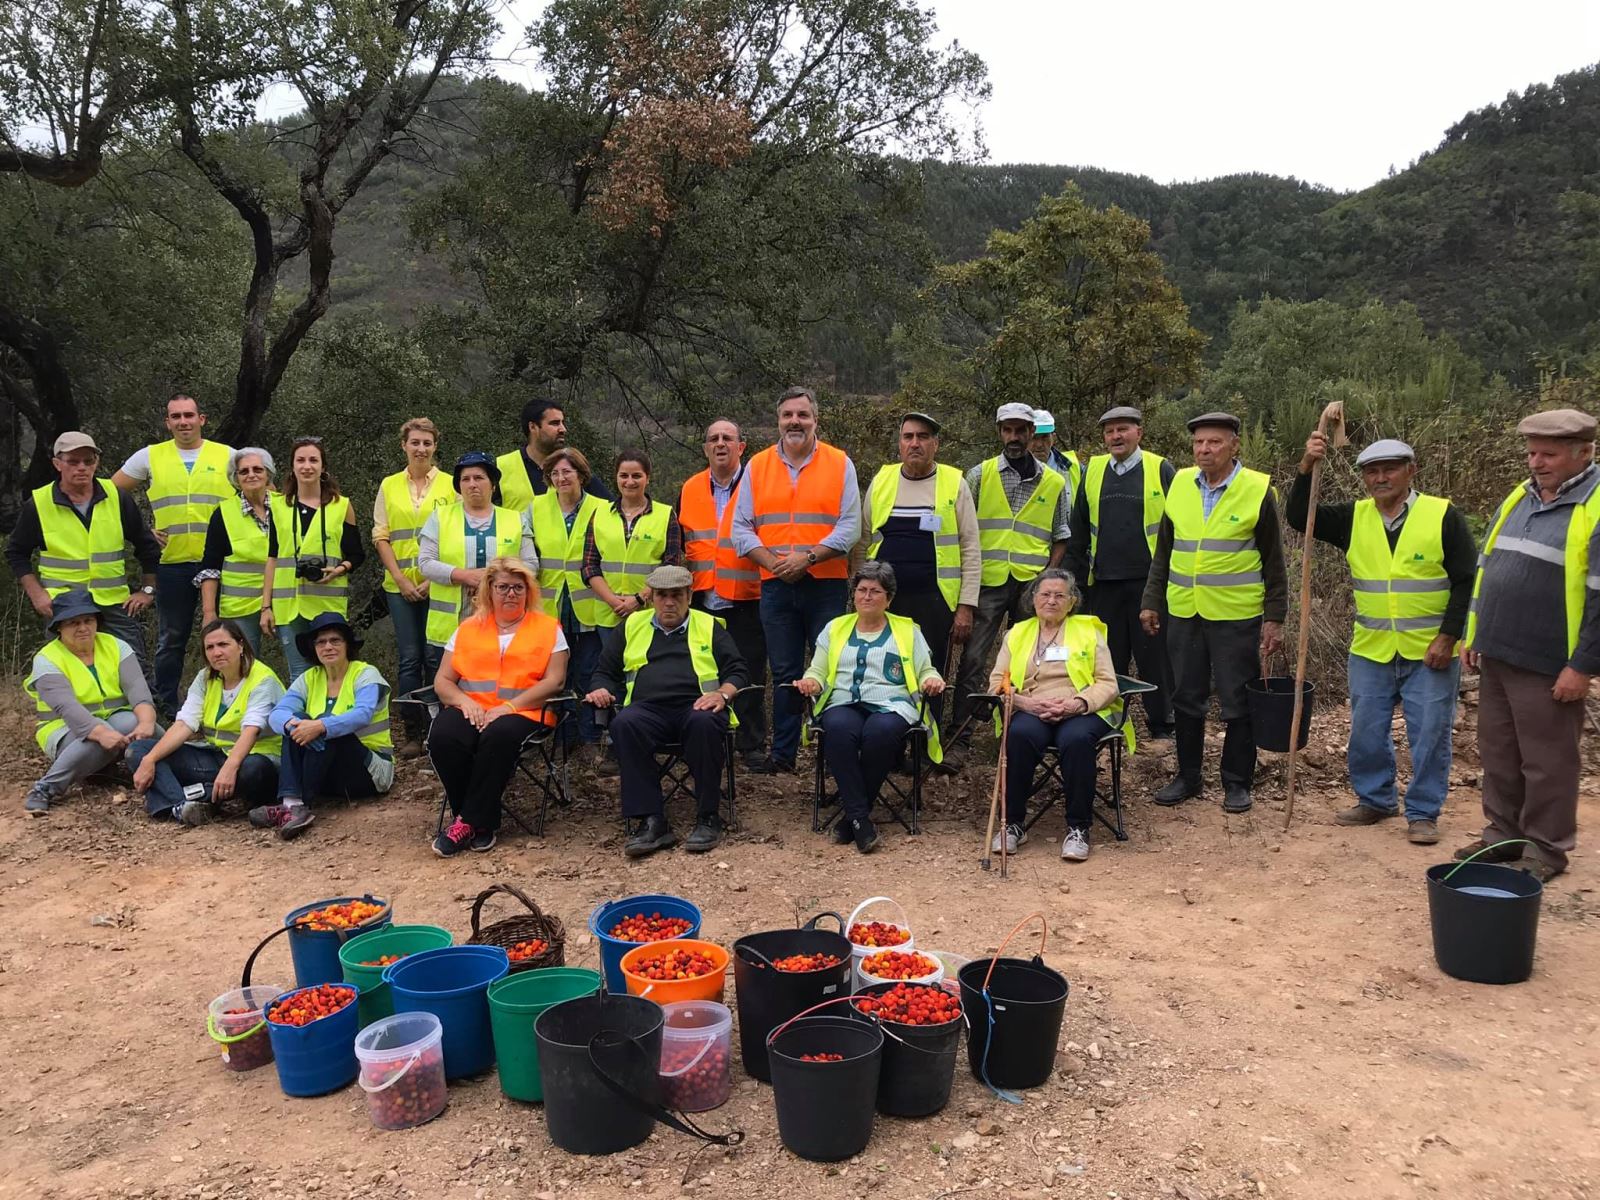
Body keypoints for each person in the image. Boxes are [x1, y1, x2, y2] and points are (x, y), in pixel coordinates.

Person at [1289, 434, 1475, 846]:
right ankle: (1376, 799)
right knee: (1367, 731)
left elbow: (1466, 579)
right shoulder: (1354, 518)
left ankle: (1423, 812)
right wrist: (1306, 466)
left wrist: (1448, 637)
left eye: (1389, 468)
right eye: (1372, 471)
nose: (1380, 477)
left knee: (1429, 733)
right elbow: (1301, 517)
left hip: (1429, 652)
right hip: (1372, 648)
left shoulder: (1441, 515)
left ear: (1411, 470)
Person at [1458, 408, 1600, 883]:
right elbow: (1487, 567)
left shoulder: (1595, 505)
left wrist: (1582, 666)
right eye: (1531, 452)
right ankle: (1502, 834)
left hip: (1549, 661)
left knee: (1547, 760)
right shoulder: (1520, 496)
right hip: (1497, 651)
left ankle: (1546, 848)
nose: (1536, 462)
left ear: (1585, 453)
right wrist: (1473, 633)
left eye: (1549, 454)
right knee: (1498, 751)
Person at [1141, 412, 1287, 814]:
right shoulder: (1180, 487)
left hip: (1235, 616)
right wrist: (1152, 600)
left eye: (1214, 443)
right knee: (1186, 697)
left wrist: (1274, 617)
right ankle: (1188, 776)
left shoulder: (1256, 491)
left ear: (1234, 445)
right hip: (1184, 612)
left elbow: (1275, 562)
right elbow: (1164, 553)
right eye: (1199, 443)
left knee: (1237, 700)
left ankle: (1237, 781)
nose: (1204, 450)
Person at [731, 386, 861, 774]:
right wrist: (774, 563)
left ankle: (829, 750)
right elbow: (741, 528)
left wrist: (806, 559)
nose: (795, 422)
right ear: (778, 420)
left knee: (829, 668)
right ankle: (784, 755)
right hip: (775, 585)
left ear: (815, 420)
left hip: (826, 583)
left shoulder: (840, 463)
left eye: (802, 415)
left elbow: (850, 527)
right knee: (785, 671)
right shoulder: (756, 465)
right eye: (788, 415)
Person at [586, 565, 748, 858]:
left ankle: (708, 817)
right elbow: (603, 671)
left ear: (689, 596)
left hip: (697, 704)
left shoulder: (710, 625)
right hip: (648, 709)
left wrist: (722, 694)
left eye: (676, 595)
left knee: (706, 722)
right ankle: (652, 821)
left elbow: (738, 670)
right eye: (662, 595)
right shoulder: (632, 624)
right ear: (652, 598)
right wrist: (600, 689)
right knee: (624, 723)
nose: (669, 602)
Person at [946, 403, 1071, 771]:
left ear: (1033, 434)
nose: (1014, 438)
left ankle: (1017, 734)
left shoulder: (1054, 481)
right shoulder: (979, 475)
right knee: (973, 659)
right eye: (1007, 430)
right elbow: (960, 529)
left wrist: (1046, 579)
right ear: (1000, 432)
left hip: (1030, 586)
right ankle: (961, 737)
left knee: (1030, 661)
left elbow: (1060, 535)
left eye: (1021, 431)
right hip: (986, 581)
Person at [796, 562, 944, 854]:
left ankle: (851, 819)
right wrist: (810, 682)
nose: (866, 596)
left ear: (889, 598)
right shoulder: (835, 627)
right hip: (843, 702)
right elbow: (817, 669)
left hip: (893, 704)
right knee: (838, 728)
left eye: (875, 591)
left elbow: (926, 669)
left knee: (880, 733)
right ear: (853, 595)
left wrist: (932, 681)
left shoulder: (907, 629)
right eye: (861, 590)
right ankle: (860, 820)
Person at [427, 558, 569, 856]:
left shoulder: (547, 628)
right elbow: (443, 681)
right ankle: (482, 822)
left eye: (518, 587)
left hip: (525, 712)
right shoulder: (467, 628)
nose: (511, 594)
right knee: (443, 735)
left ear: (528, 592)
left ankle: (466, 821)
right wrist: (466, 703)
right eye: (503, 587)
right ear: (488, 590)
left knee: (499, 735)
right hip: (472, 709)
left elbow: (555, 682)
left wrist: (508, 706)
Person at [988, 569, 1125, 862]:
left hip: (1080, 708)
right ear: (1033, 599)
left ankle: (1078, 828)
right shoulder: (1017, 633)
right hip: (1031, 707)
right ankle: (1012, 824)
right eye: (1045, 594)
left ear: (1072, 601)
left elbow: (1108, 683)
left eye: (1059, 595)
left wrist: (1075, 703)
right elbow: (998, 682)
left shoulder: (1090, 631)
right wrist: (1025, 703)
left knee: (1076, 740)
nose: (1051, 600)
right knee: (1019, 735)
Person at [112, 395, 235, 713]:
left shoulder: (228, 456)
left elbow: (264, 491)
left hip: (221, 562)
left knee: (227, 637)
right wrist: (142, 530)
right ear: (167, 422)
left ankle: (228, 704)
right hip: (172, 562)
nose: (183, 421)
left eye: (189, 415)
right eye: (176, 416)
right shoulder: (150, 456)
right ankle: (166, 705)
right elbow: (108, 494)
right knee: (172, 638)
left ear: (202, 419)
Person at [856, 413, 979, 729]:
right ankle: (890, 743)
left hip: (935, 601)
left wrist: (965, 606)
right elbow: (864, 540)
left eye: (923, 436)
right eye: (908, 436)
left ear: (935, 444)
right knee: (885, 670)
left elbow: (970, 548)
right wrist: (857, 594)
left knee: (930, 672)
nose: (915, 443)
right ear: (899, 444)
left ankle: (926, 742)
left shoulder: (954, 482)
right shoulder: (882, 480)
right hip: (886, 601)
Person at [1064, 406, 1176, 740]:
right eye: (1110, 431)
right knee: (1108, 658)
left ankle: (1162, 726)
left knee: (1153, 656)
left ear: (1139, 433)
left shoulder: (1160, 468)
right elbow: (1079, 529)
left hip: (1149, 583)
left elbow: (1179, 526)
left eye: (1123, 429)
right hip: (1104, 583)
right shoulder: (1094, 470)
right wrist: (1072, 582)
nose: (1116, 436)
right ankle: (1110, 723)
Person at [8, 431, 159, 668]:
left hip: (114, 604)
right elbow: (16, 552)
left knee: (133, 668)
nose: (82, 467)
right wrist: (37, 594)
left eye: (88, 461)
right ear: (57, 464)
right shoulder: (39, 503)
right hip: (64, 605)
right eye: (73, 461)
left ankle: (141, 706)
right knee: (67, 672)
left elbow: (147, 547)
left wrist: (148, 590)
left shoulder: (117, 497)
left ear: (96, 463)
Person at [126, 619, 284, 825]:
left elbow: (251, 730)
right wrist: (150, 760)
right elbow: (184, 724)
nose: (216, 652)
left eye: (223, 645)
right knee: (138, 750)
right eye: (210, 647)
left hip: (256, 760)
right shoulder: (205, 678)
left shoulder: (263, 679)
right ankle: (182, 805)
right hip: (214, 756)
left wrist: (230, 769)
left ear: (241, 645)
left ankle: (197, 794)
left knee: (253, 769)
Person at [251, 613, 394, 839]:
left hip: (369, 772)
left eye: (335, 640)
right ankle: (293, 804)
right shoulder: (310, 677)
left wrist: (320, 726)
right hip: (328, 775)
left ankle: (296, 805)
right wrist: (291, 725)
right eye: (321, 642)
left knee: (327, 730)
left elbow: (362, 715)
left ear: (348, 645)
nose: (328, 647)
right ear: (314, 648)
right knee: (296, 719)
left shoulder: (365, 673)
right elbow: (277, 713)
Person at [22, 591, 160, 816]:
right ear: (59, 627)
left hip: (116, 721)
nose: (83, 627)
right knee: (95, 741)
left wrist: (146, 722)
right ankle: (45, 789)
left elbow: (138, 692)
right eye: (73, 623)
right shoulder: (46, 660)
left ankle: (177, 774)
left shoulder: (117, 646)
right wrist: (100, 733)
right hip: (65, 731)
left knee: (148, 729)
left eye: (88, 620)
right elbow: (69, 709)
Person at [681, 420, 768, 767]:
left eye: (727, 438)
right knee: (702, 671)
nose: (720, 444)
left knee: (749, 670)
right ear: (705, 448)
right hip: (701, 597)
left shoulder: (758, 485)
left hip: (747, 595)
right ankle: (708, 739)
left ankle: (751, 745)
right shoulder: (689, 488)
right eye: (713, 439)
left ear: (741, 447)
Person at [373, 418, 455, 757]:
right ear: (404, 445)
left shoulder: (451, 485)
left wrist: (428, 579)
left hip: (438, 584)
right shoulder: (389, 485)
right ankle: (412, 731)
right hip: (399, 587)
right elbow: (381, 535)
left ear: (435, 446)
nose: (421, 448)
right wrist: (403, 580)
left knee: (437, 657)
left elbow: (454, 535)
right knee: (409, 659)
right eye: (415, 442)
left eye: (427, 443)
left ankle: (441, 729)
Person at [418, 451, 539, 662]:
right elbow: (425, 563)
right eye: (465, 479)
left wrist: (493, 579)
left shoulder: (515, 519)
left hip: (504, 627)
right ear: (459, 486)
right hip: (449, 630)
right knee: (447, 687)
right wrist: (463, 575)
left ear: (493, 484)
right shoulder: (440, 517)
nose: (472, 484)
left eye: (479, 478)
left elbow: (531, 565)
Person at [260, 437, 364, 681]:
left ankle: (330, 718)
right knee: (299, 673)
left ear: (323, 467)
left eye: (313, 460)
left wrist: (340, 569)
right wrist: (266, 606)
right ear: (292, 467)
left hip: (327, 606)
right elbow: (273, 557)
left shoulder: (342, 506)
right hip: (289, 607)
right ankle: (303, 720)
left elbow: (357, 554)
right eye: (301, 460)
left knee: (333, 671)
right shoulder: (278, 506)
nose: (307, 466)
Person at [531, 448, 608, 749]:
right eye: (555, 473)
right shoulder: (535, 507)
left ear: (581, 474)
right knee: (555, 672)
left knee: (588, 670)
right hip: (549, 603)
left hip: (589, 601)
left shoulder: (602, 508)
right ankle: (562, 735)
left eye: (567, 471)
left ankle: (590, 736)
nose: (561, 478)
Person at [582, 448, 682, 634]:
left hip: (651, 613)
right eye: (623, 476)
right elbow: (589, 565)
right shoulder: (599, 514)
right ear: (616, 478)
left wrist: (639, 598)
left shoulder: (665, 515)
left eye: (636, 476)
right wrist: (612, 600)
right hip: (609, 614)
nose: (629, 481)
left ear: (647, 478)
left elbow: (671, 566)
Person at [196, 448, 277, 653]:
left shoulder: (287, 507)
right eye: (244, 471)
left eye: (258, 469)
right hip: (240, 607)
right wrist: (209, 613)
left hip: (285, 601)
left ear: (268, 474)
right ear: (235, 478)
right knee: (242, 667)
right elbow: (210, 567)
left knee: (300, 667)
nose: (251, 474)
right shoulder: (223, 513)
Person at [496, 397, 613, 510]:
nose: (563, 429)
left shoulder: (573, 465)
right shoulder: (502, 465)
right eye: (555, 423)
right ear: (533, 427)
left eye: (562, 423)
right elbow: (480, 510)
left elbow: (611, 509)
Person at [1030, 409, 1083, 503]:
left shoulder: (1073, 467)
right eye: (1034, 438)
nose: (1039, 444)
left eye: (1044, 437)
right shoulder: (1014, 470)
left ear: (1053, 438)